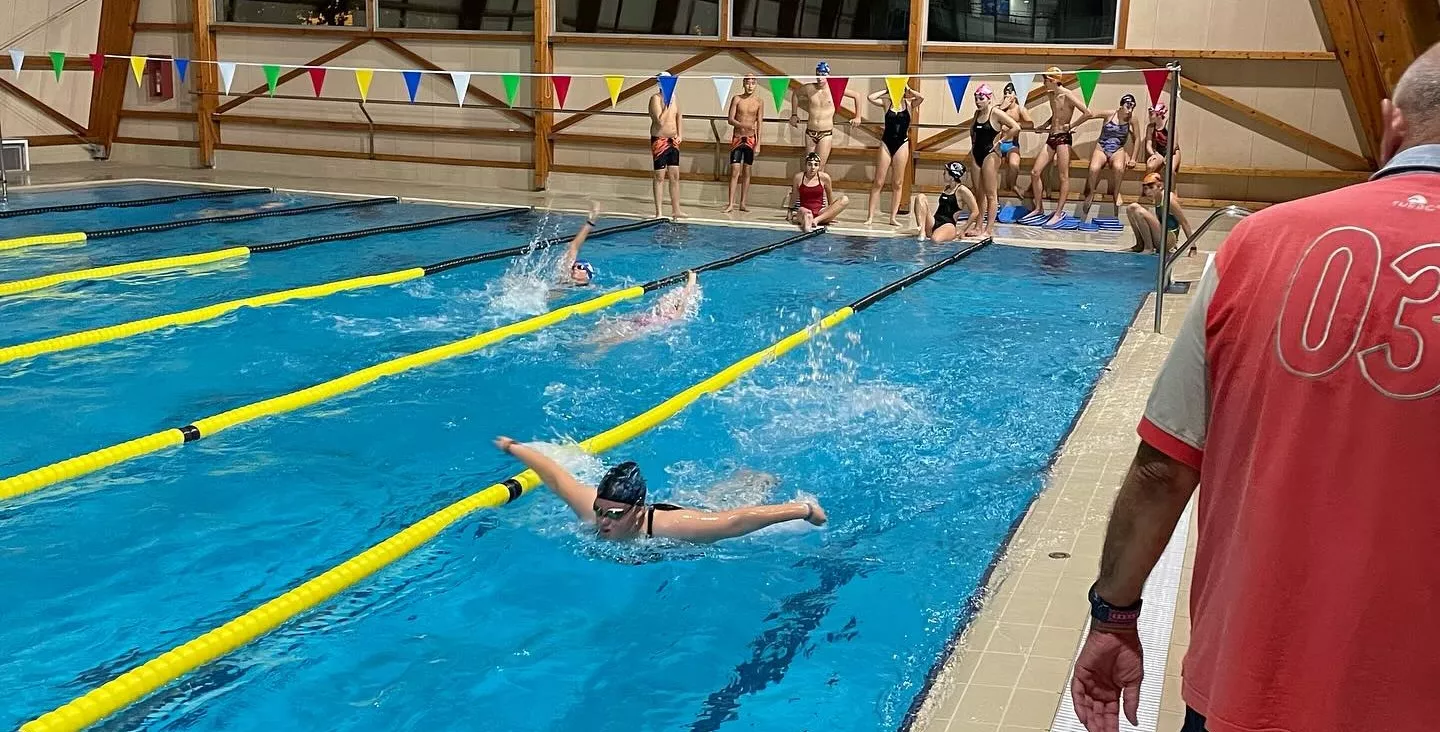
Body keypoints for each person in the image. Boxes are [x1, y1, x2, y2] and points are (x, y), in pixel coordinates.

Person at [1067, 43, 1440, 732]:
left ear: (1390, 124)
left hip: (1253, 686)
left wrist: (1113, 615)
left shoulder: (1254, 245)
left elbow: (1163, 469)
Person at [494, 439, 828, 542]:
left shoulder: (674, 528)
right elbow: (555, 477)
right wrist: (513, 447)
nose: (602, 521)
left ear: (637, 511)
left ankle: (758, 477)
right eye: (600, 510)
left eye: (612, 514)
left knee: (729, 500)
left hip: (688, 512)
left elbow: (736, 522)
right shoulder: (592, 510)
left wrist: (804, 510)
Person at [1030, 66, 1093, 227]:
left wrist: (1071, 125)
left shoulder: (1068, 95)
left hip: (1064, 138)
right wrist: (1044, 125)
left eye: (1045, 80)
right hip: (1051, 137)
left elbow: (1088, 113)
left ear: (1052, 80)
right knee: (1035, 172)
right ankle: (1039, 208)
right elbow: (1055, 115)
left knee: (1063, 176)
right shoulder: (1051, 95)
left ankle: (1058, 213)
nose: (1043, 83)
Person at [864, 80, 924, 226]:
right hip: (886, 142)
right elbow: (870, 97)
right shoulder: (887, 103)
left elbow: (921, 98)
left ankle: (893, 217)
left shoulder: (909, 104)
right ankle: (870, 216)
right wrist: (887, 91)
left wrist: (909, 89)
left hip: (902, 143)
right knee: (878, 181)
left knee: (898, 183)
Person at [1077, 93, 1139, 224]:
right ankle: (1091, 193)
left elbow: (1137, 138)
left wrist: (1133, 158)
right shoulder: (1110, 114)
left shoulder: (1133, 119)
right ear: (1121, 106)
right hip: (1101, 147)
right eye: (1128, 106)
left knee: (1118, 168)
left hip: (1118, 149)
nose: (1130, 110)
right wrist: (1075, 123)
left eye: (1132, 107)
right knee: (1093, 169)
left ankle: (1116, 192)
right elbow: (1091, 114)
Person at [788, 61, 863, 169]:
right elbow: (795, 94)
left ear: (828, 75)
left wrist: (858, 116)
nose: (820, 78)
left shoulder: (834, 89)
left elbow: (857, 96)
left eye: (823, 75)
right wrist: (794, 114)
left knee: (820, 167)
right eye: (818, 74)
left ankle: (820, 185)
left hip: (825, 134)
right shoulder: (809, 88)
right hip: (810, 132)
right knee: (809, 167)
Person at [970, 84, 1021, 237]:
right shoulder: (976, 114)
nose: (978, 101)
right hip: (976, 154)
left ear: (989, 98)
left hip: (990, 155)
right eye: (976, 98)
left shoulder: (996, 113)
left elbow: (1015, 127)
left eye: (981, 98)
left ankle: (988, 229)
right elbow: (973, 133)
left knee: (991, 195)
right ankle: (978, 227)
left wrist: (1000, 142)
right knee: (979, 193)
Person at [911, 161, 981, 243]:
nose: (943, 174)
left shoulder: (962, 190)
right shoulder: (947, 188)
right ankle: (922, 232)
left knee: (935, 240)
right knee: (920, 197)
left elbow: (975, 211)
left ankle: (947, 234)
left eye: (945, 172)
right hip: (934, 222)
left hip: (948, 225)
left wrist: (963, 228)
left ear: (952, 176)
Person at [723, 74, 764, 213]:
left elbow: (760, 123)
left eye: (753, 83)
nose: (750, 86)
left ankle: (743, 203)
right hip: (738, 138)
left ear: (756, 84)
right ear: (743, 83)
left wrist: (758, 143)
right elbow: (730, 119)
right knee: (735, 171)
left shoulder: (759, 101)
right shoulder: (737, 99)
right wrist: (742, 125)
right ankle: (730, 204)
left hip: (751, 139)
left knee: (747, 171)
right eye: (747, 83)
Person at [1123, 172, 1191, 253]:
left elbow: (1184, 223)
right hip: (1161, 237)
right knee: (1131, 208)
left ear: (1160, 186)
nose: (1148, 191)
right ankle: (1140, 244)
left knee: (1139, 211)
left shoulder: (1169, 200)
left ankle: (1148, 248)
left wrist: (1192, 247)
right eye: (1145, 188)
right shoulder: (1157, 197)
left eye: (1151, 187)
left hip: (1168, 241)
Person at [648, 72, 685, 219]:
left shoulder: (675, 99)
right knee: (659, 176)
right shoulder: (655, 99)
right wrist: (667, 104)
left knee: (675, 176)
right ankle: (659, 212)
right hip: (660, 140)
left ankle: (676, 210)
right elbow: (660, 121)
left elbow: (679, 116)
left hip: (673, 141)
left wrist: (680, 134)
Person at [786, 151, 849, 232]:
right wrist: (790, 212)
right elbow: (794, 196)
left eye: (815, 165)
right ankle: (808, 227)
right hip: (804, 211)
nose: (812, 167)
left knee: (845, 199)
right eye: (810, 164)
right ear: (805, 165)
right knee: (807, 213)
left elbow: (830, 197)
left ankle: (816, 220)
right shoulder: (798, 177)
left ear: (819, 166)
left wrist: (831, 213)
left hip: (820, 213)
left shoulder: (824, 177)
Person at [996, 81, 1035, 205]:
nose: (1007, 95)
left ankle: (1012, 185)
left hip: (1012, 144)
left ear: (1016, 95)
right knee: (990, 166)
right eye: (1005, 93)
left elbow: (1030, 124)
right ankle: (990, 191)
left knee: (1014, 164)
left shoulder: (1020, 109)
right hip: (997, 144)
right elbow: (989, 117)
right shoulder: (999, 108)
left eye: (1009, 93)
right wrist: (1001, 108)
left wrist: (1015, 125)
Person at [556, 201, 601, 286]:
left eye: (580, 267)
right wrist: (590, 222)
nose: (575, 269)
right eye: (574, 267)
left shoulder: (594, 289)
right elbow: (573, 246)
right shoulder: (566, 280)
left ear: (588, 274)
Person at [1144, 101, 1181, 179]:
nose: (1149, 117)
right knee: (1150, 166)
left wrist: (1167, 156)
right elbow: (1148, 143)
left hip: (1172, 152)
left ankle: (1172, 190)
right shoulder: (1151, 127)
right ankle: (1147, 187)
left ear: (1159, 115)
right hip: (1159, 152)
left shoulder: (1170, 124)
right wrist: (1152, 154)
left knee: (1170, 170)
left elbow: (1174, 144)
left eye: (1151, 114)